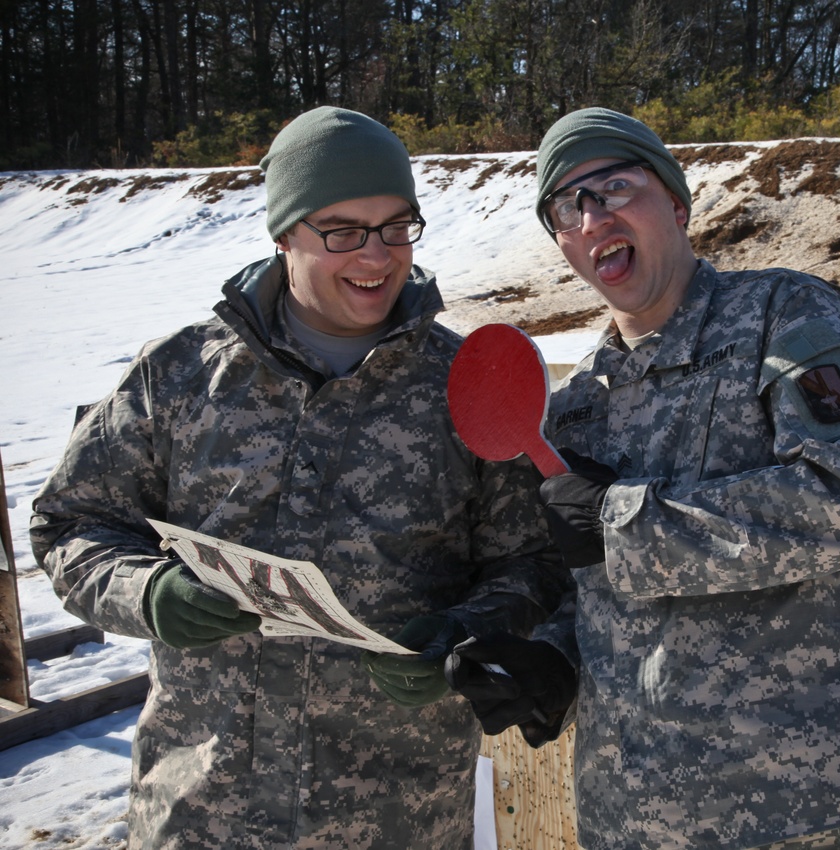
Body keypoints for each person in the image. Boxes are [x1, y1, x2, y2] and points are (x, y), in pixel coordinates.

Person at [30, 106, 565, 850]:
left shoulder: (466, 386)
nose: (375, 256)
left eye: (395, 227)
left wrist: (465, 634)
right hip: (200, 812)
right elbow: (71, 525)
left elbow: (533, 562)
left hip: (396, 816)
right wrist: (149, 592)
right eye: (341, 231)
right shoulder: (182, 376)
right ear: (284, 233)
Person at [446, 107, 840, 850]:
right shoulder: (578, 406)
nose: (592, 215)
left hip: (804, 811)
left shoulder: (783, 314)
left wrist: (625, 524)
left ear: (676, 203)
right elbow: (604, 593)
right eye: (566, 206)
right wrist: (551, 659)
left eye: (614, 186)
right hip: (635, 820)